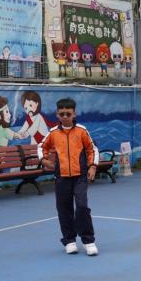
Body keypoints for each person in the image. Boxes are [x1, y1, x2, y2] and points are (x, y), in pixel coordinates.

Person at [38, 98, 99, 256]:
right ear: (57, 115)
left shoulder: (82, 131)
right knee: (64, 209)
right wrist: (43, 160)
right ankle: (69, 240)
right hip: (61, 177)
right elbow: (41, 146)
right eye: (62, 114)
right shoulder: (53, 133)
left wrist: (92, 166)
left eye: (68, 114)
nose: (65, 117)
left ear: (74, 114)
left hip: (80, 177)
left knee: (82, 207)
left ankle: (88, 240)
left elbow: (92, 149)